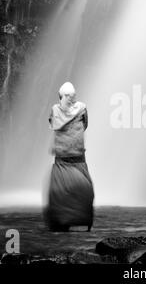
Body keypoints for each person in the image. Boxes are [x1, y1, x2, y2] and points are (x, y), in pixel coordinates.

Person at [44, 82, 94, 232]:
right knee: (83, 185)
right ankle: (82, 219)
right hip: (78, 153)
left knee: (60, 188)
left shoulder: (55, 110)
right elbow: (85, 125)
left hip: (62, 154)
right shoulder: (82, 108)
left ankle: (61, 220)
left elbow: (52, 124)